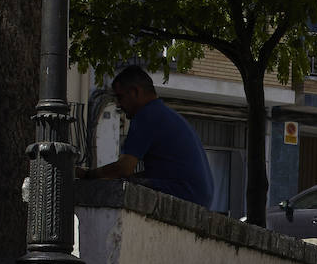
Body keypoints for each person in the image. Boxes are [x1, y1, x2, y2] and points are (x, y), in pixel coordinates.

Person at [76, 65, 215, 207]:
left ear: (135, 92)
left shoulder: (146, 115)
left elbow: (124, 168)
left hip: (184, 193)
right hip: (198, 197)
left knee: (120, 186)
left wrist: (89, 175)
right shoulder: (163, 113)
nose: (118, 104)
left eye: (120, 97)